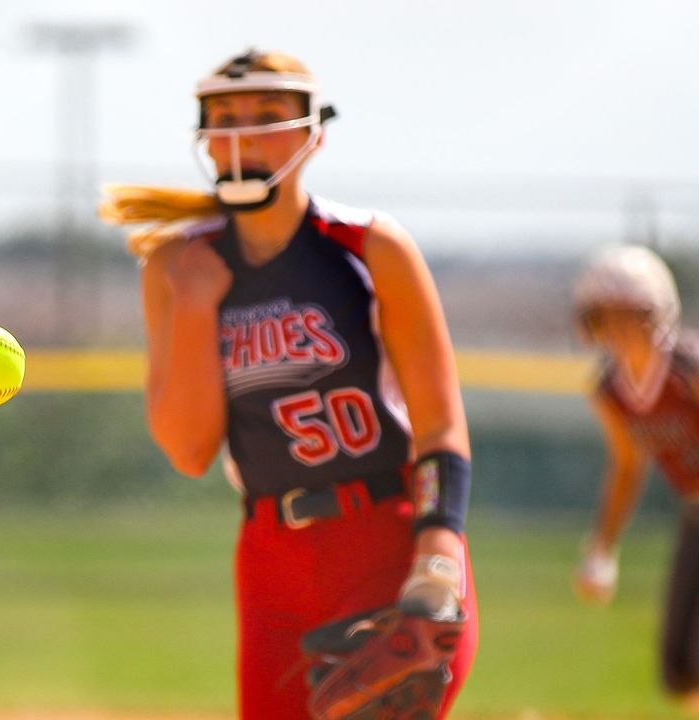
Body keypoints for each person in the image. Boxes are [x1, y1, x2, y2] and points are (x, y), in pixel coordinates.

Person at [100, 49, 478, 719]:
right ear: (204, 137)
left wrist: (439, 549)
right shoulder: (175, 264)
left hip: (386, 541)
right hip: (271, 558)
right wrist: (192, 304)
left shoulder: (369, 247)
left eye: (268, 115)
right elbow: (189, 451)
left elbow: (440, 424)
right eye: (224, 118)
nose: (242, 134)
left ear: (315, 132)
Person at [572, 244, 699, 714]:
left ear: (659, 314)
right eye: (606, 316)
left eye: (632, 316)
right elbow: (627, 467)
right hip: (694, 510)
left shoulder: (688, 370)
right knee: (679, 668)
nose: (619, 329)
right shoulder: (611, 389)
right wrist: (601, 549)